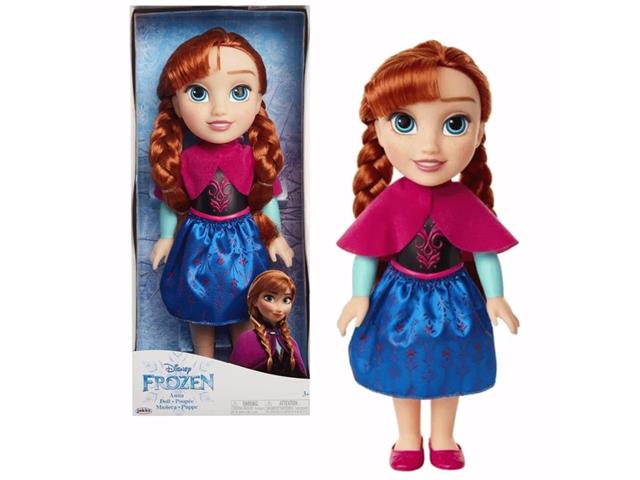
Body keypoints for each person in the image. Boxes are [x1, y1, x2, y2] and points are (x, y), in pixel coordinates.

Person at [337, 40, 519, 471]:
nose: (430, 146)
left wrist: (496, 297)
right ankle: (407, 437)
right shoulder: (390, 201)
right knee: (400, 368)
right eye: (405, 122)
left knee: (448, 368)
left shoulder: (464, 201)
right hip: (399, 299)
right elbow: (367, 252)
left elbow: (485, 252)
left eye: (455, 123)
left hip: (454, 299)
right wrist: (359, 297)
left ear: (479, 131)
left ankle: (443, 437)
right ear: (379, 128)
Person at [149, 28, 294, 358]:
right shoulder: (184, 159)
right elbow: (170, 201)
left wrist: (275, 236)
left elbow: (266, 198)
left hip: (243, 239)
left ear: (258, 101)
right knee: (197, 299)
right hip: (198, 240)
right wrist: (167, 238)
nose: (219, 110)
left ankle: (243, 362)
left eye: (239, 92)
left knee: (245, 301)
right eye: (198, 93)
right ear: (175, 103)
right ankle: (205, 362)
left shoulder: (251, 156)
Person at [230, 270, 307, 378]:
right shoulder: (247, 340)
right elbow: (235, 379)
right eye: (269, 298)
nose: (279, 308)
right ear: (255, 300)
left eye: (286, 300)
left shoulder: (290, 343)